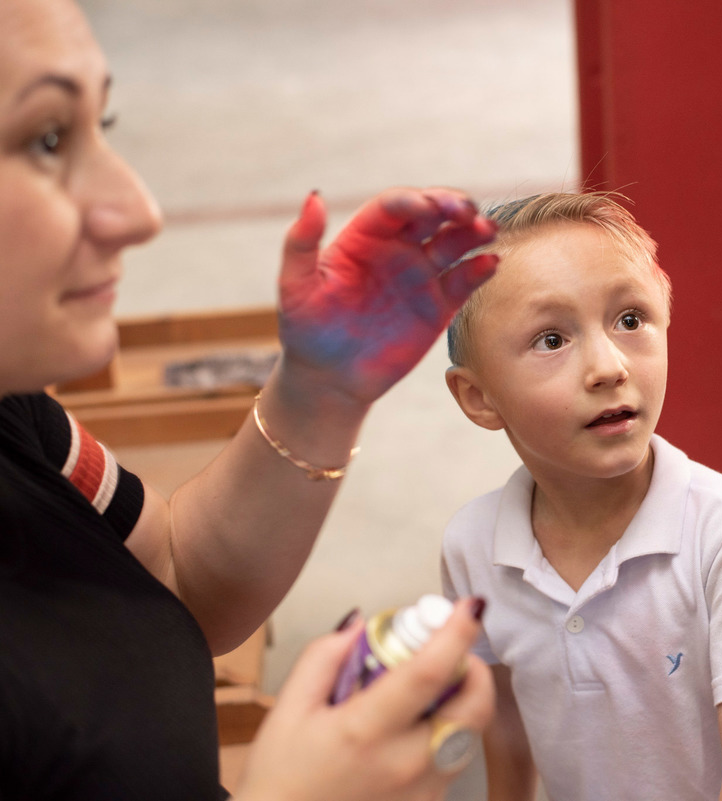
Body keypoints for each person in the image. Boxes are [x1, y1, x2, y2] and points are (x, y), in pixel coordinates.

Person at [0, 0, 497, 798]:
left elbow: (174, 571)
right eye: (47, 138)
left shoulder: (10, 403)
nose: (139, 210)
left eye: (105, 123)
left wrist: (318, 395)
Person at [439, 192, 722, 801]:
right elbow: (506, 727)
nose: (609, 366)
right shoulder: (472, 548)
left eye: (631, 320)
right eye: (552, 339)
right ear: (479, 398)